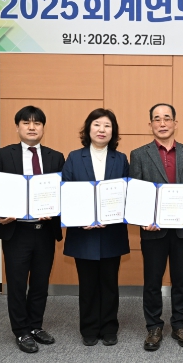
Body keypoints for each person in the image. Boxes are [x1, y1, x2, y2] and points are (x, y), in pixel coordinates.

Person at [0, 106, 65, 354]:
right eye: (26, 122)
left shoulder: (55, 157)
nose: (32, 127)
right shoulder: (3, 155)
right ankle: (20, 330)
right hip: (16, 231)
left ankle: (35, 326)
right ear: (17, 127)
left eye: (37, 123)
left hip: (45, 230)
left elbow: (63, 191)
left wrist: (56, 209)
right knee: (17, 283)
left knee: (40, 283)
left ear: (43, 127)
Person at [129, 103, 183, 351]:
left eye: (167, 118)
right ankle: (153, 326)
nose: (162, 123)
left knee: (181, 280)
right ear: (150, 124)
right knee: (152, 281)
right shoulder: (138, 154)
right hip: (152, 229)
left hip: (181, 229)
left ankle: (180, 324)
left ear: (175, 123)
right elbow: (135, 191)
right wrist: (142, 218)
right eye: (157, 119)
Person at [62, 108, 130, 347]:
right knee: (88, 283)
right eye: (97, 125)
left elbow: (126, 194)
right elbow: (66, 192)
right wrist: (81, 219)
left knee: (110, 283)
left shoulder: (120, 159)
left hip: (112, 232)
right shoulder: (74, 157)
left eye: (107, 126)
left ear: (113, 131)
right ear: (88, 129)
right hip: (83, 233)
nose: (102, 130)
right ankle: (89, 328)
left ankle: (110, 327)